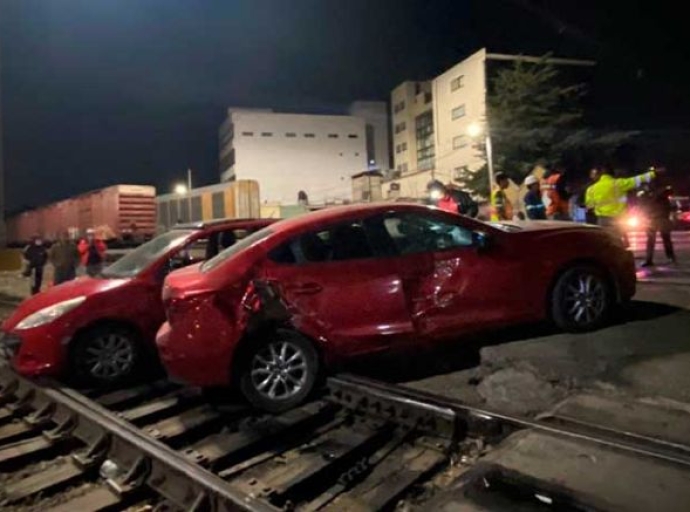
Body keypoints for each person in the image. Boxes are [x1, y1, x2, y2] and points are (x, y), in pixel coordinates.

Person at [585, 166, 657, 242]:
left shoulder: (591, 189)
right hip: (618, 220)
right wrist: (653, 173)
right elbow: (637, 179)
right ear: (613, 174)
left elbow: (589, 207)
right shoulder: (619, 183)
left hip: (603, 220)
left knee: (605, 242)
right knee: (617, 242)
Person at [640, 183, 676, 267]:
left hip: (654, 218)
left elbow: (645, 206)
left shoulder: (649, 195)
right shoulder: (662, 193)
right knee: (665, 238)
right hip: (660, 218)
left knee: (652, 240)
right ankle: (670, 257)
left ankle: (649, 259)